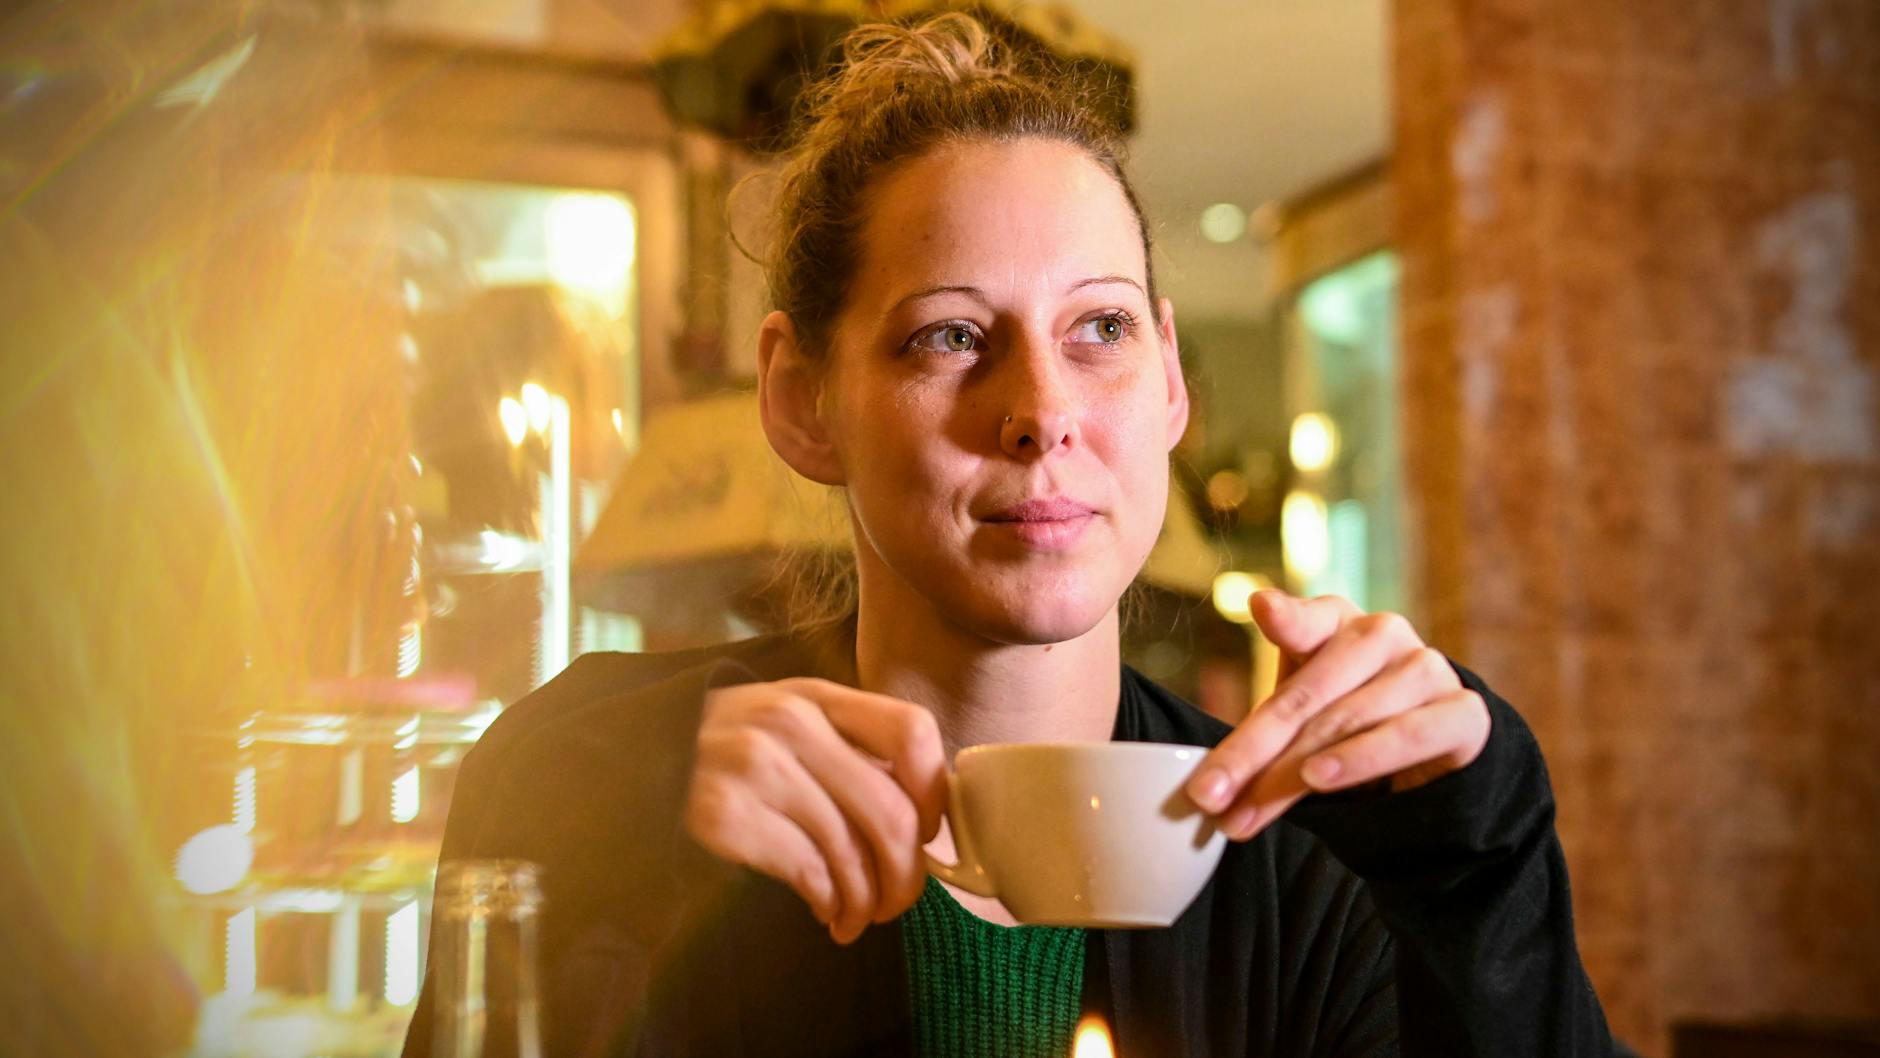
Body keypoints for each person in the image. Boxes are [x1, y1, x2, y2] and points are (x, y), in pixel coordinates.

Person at [403, 14, 1615, 1058]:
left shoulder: (1321, 869)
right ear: (799, 399)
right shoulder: (599, 775)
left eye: (1099, 328)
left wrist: (1480, 877)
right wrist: (621, 839)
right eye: (947, 336)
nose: (1041, 411)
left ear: (1172, 382)